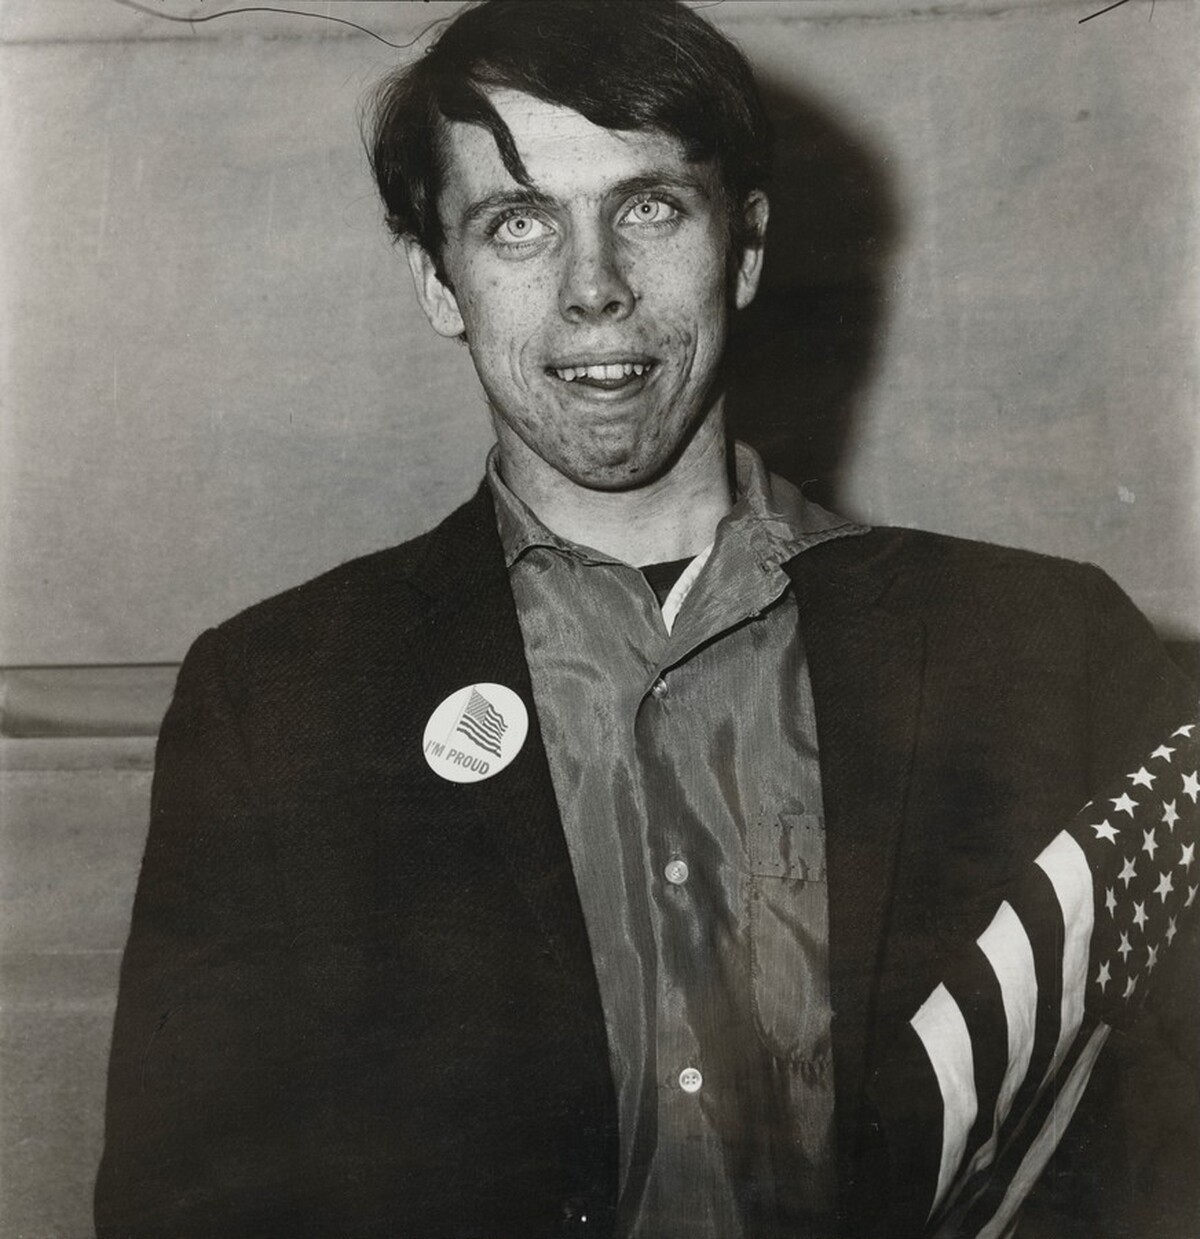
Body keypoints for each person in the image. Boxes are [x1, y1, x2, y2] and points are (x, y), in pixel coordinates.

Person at [95, 2, 1198, 1236]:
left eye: (650, 208)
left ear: (746, 247)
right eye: (519, 224)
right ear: (436, 279)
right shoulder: (278, 701)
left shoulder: (1051, 657)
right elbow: (180, 1207)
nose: (594, 289)